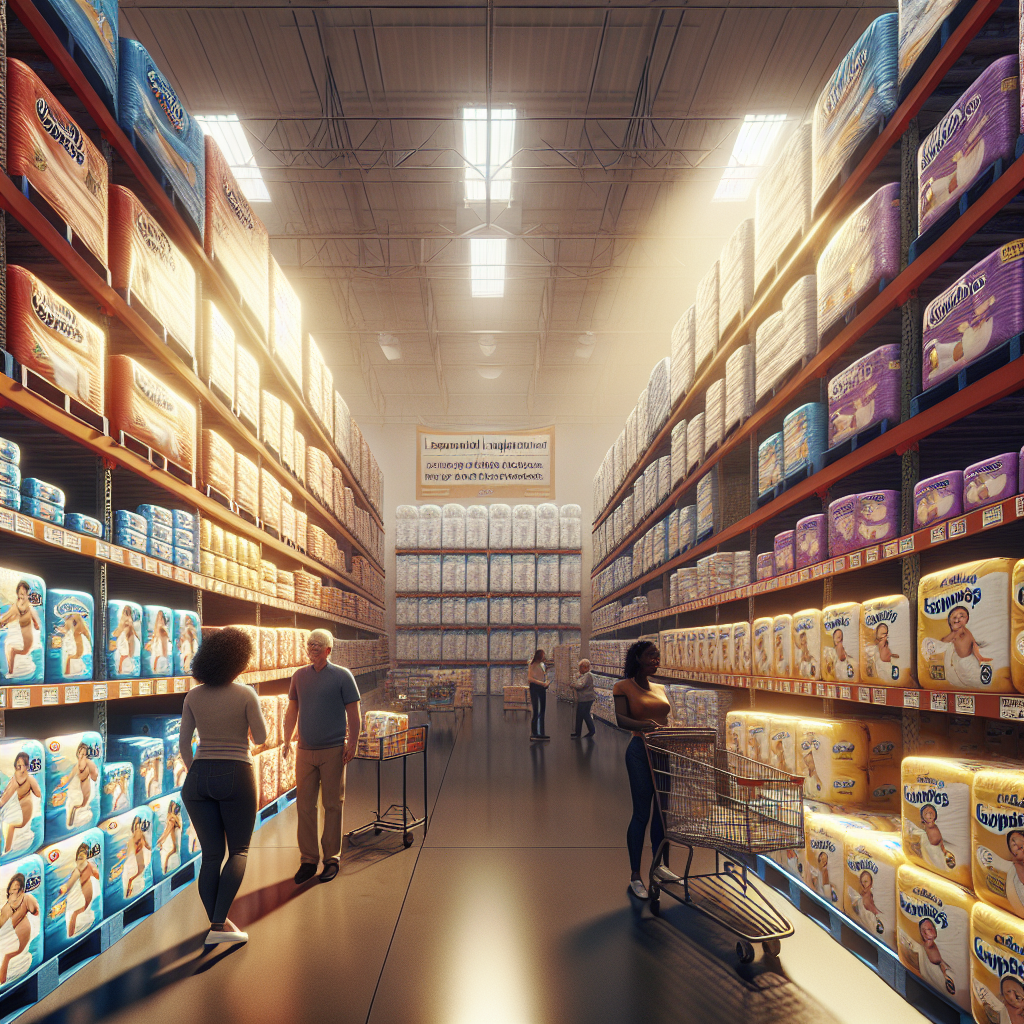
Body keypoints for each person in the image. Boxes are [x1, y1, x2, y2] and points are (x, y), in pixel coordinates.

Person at [178, 626, 268, 946]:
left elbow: (184, 744)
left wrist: (196, 772)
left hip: (198, 778)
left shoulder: (193, 696)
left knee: (211, 855)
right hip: (236, 773)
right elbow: (261, 738)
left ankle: (218, 923)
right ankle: (219, 925)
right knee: (239, 850)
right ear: (238, 661)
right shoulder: (245, 694)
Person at [282, 629, 361, 885]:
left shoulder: (342, 676)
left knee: (332, 804)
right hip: (305, 750)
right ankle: (308, 859)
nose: (312, 648)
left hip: (332, 750)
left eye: (318, 645)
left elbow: (354, 713)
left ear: (328, 650)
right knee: (304, 806)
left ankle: (331, 859)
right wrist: (286, 739)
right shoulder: (299, 676)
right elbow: (292, 710)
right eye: (310, 644)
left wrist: (353, 742)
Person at [613, 640, 672, 899]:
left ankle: (661, 867)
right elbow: (621, 718)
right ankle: (636, 875)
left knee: (662, 814)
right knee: (641, 814)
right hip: (639, 750)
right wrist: (647, 724)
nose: (655, 660)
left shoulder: (660, 688)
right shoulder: (623, 686)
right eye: (650, 656)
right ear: (637, 658)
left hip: (663, 752)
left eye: (657, 656)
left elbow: (665, 718)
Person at [570, 659, 596, 739]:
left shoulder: (587, 675)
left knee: (584, 714)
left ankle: (591, 730)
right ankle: (578, 732)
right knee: (580, 715)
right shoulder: (584, 675)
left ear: (585, 667)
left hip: (586, 698)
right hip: (584, 698)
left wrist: (573, 685)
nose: (579, 669)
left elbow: (580, 686)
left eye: (580, 667)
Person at [528, 649, 549, 741]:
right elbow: (530, 678)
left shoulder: (542, 665)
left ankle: (541, 732)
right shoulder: (532, 665)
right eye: (543, 655)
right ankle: (535, 732)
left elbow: (543, 675)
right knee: (536, 710)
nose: (544, 657)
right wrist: (542, 683)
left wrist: (546, 682)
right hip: (535, 688)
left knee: (542, 710)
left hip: (542, 688)